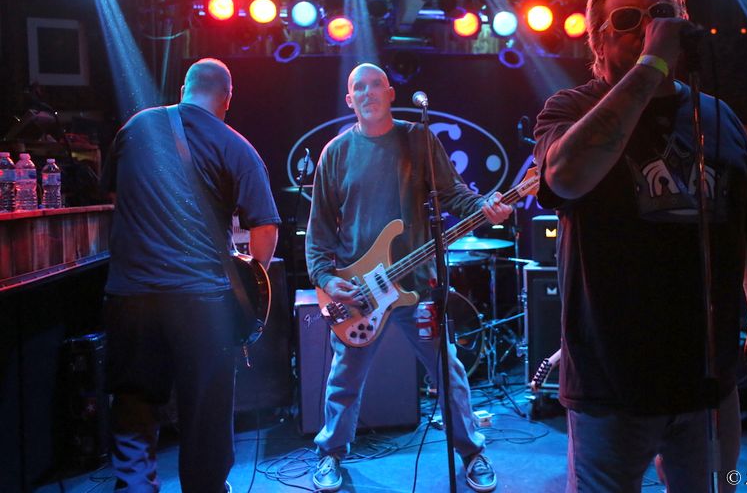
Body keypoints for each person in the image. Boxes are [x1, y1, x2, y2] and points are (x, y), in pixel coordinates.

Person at [533, 0, 747, 492]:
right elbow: (565, 177)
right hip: (612, 381)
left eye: (660, 15)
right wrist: (651, 63)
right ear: (598, 39)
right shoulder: (570, 108)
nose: (647, 28)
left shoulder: (718, 116)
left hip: (708, 377)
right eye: (627, 19)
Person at [306, 63, 512, 492]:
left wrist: (485, 207)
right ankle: (330, 454)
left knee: (447, 371)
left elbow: (454, 194)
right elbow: (319, 230)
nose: (367, 92)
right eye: (358, 87)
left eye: (375, 84)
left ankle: (472, 453)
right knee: (344, 378)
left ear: (390, 93)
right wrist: (326, 278)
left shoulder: (418, 139)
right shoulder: (336, 152)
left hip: (417, 284)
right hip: (360, 290)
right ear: (349, 100)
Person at [102, 58, 280, 493]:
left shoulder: (135, 127)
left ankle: (135, 487)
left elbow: (114, 194)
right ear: (227, 99)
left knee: (133, 402)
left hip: (130, 295)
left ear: (184, 89)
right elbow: (265, 230)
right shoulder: (237, 147)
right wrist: (249, 274)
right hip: (202, 302)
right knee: (205, 411)